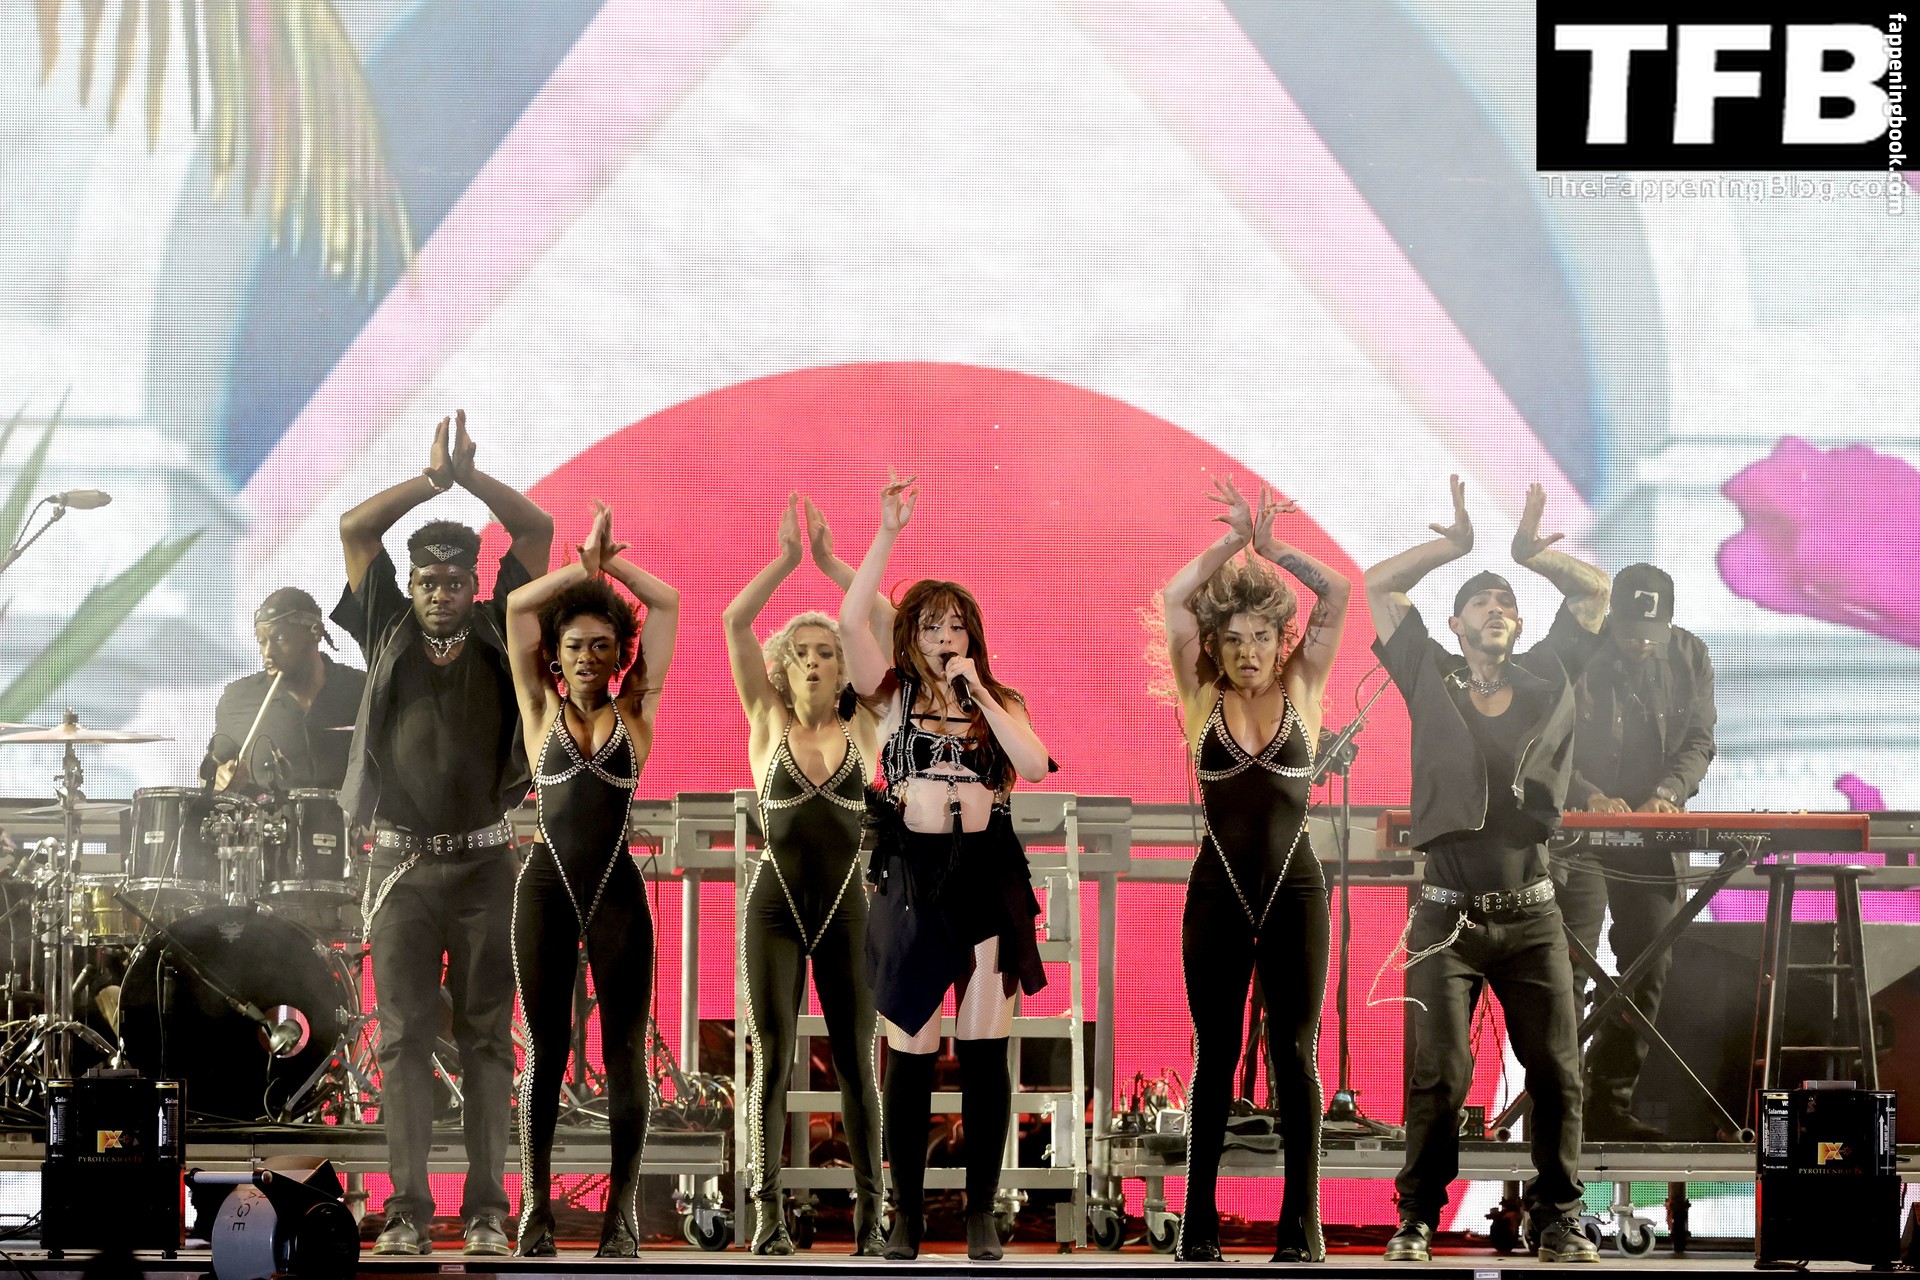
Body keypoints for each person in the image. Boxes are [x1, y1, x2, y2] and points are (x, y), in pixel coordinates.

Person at [1363, 477, 1608, 1265]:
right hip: (1447, 918)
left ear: (1520, 623)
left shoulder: (1547, 675)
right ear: (1456, 623)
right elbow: (1378, 585)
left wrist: (1531, 555)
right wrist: (1454, 548)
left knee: (1559, 1073)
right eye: (1480, 600)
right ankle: (1417, 1218)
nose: (1496, 607)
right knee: (1438, 1074)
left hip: (1532, 912)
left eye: (1506, 600)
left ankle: (1557, 1216)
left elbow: (1595, 592)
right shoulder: (1428, 673)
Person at [332, 410, 553, 1257]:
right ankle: (407, 1212)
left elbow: (535, 530)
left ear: (472, 582)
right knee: (401, 1042)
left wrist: (472, 480)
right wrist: (430, 483)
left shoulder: (503, 625)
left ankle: (489, 1212)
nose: (438, 592)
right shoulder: (385, 622)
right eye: (427, 579)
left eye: (454, 579)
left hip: (486, 865)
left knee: (490, 1041)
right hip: (399, 870)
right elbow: (356, 529)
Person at [839, 470, 1054, 1262]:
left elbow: (1033, 766)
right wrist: (887, 532)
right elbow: (849, 617)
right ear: (910, 637)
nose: (944, 637)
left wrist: (979, 694)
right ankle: (906, 1214)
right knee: (914, 1043)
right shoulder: (890, 697)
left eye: (957, 625)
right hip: (913, 876)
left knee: (985, 1045)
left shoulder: (1000, 700)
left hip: (988, 874)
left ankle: (981, 1211)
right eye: (931, 626)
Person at [1155, 478, 1348, 1263]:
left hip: (1296, 893)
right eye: (1231, 639)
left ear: (1279, 640)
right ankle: (1197, 1226)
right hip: (1218, 894)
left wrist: (1272, 549)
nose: (1246, 651)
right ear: (1217, 644)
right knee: (1215, 1055)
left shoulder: (1304, 686)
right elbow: (1174, 599)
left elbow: (1338, 593)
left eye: (1260, 637)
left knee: (1294, 1055)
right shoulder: (1199, 694)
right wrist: (1230, 543)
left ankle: (1302, 1225)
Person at [504, 500, 679, 1257]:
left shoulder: (635, 707)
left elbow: (667, 605)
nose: (586, 657)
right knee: (544, 1049)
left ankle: (621, 1215)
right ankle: (535, 1209)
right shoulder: (537, 702)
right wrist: (580, 570)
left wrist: (611, 568)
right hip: (544, 888)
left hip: (616, 890)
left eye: (602, 647)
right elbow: (517, 608)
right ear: (556, 655)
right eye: (574, 645)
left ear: (617, 658)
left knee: (623, 1053)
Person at [724, 495, 888, 1257]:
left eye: (827, 650)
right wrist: (787, 561)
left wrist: (829, 563)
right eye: (802, 652)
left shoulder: (866, 724)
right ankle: (767, 1216)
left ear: (843, 664)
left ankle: (869, 1218)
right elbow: (735, 622)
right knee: (773, 1057)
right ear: (783, 668)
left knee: (857, 1062)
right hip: (775, 908)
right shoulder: (766, 719)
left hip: (848, 907)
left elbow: (881, 618)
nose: (816, 660)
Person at [1555, 562, 1716, 1141]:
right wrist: (1590, 796)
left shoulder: (1691, 656)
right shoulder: (1579, 651)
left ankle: (1608, 1101)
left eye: (1652, 636)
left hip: (1652, 835)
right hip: (1580, 834)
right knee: (1568, 963)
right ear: (1612, 621)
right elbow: (1548, 738)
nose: (1640, 644)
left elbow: (1699, 740)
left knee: (1650, 964)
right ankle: (1560, 1108)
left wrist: (1667, 795)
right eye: (1629, 634)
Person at [201, 588, 365, 792]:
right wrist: (218, 778)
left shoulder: (362, 690)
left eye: (280, 638)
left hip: (351, 813)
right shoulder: (237, 699)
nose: (268, 652)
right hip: (267, 814)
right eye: (262, 641)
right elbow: (211, 770)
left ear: (315, 633)